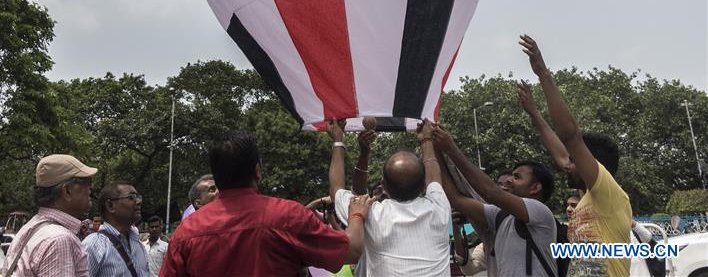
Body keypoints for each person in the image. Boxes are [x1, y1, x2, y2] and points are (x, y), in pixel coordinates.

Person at [161, 130, 369, 276]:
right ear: (258, 171)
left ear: (216, 175)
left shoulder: (185, 232)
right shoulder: (288, 216)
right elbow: (351, 250)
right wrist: (357, 215)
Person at [519, 35, 632, 277]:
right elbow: (562, 155)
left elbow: (571, 137)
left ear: (592, 163)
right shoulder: (587, 196)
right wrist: (534, 114)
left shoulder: (609, 194)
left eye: (574, 160)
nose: (566, 165)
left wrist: (543, 75)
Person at [431, 123, 559, 277]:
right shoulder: (500, 215)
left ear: (535, 188)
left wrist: (451, 148)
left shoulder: (540, 212)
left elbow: (490, 193)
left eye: (517, 177)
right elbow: (456, 199)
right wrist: (435, 148)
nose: (509, 180)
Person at [329, 118, 452, 277]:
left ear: (384, 186)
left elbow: (336, 189)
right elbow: (434, 176)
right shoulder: (439, 209)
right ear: (424, 185)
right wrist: (426, 140)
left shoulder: (372, 215)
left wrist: (338, 140)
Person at [1, 154, 96, 277]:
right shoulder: (59, 239)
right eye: (87, 182)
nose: (90, 188)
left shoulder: (33, 227)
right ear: (67, 191)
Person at [82, 182, 148, 277]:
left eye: (138, 197)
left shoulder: (138, 244)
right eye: (131, 197)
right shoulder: (94, 245)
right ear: (110, 206)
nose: (138, 202)